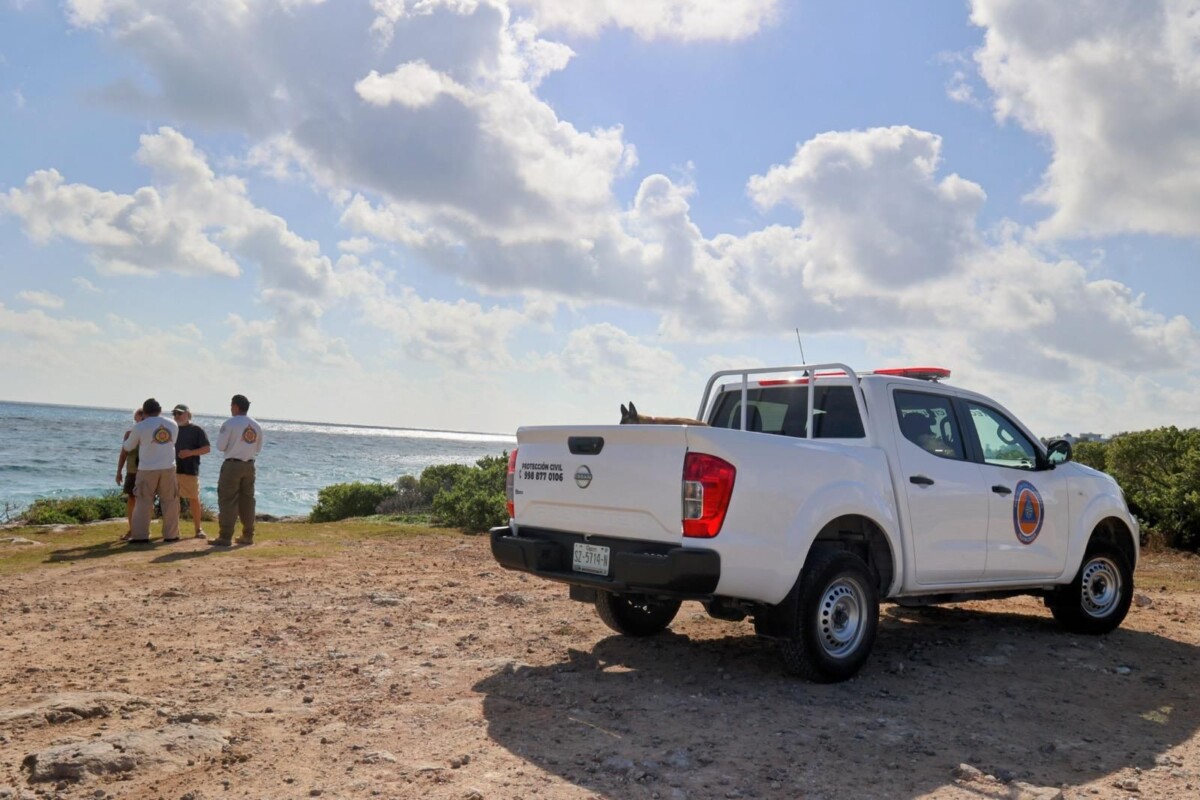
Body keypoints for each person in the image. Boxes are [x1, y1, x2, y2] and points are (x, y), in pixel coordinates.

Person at [122, 397, 181, 543]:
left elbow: (128, 447)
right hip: (168, 467)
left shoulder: (140, 426)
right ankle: (171, 534)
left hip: (147, 468)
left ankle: (140, 536)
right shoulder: (173, 424)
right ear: (160, 410)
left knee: (143, 501)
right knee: (170, 501)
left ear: (145, 412)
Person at [214, 394, 264, 547]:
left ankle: (225, 536)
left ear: (235, 406)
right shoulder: (256, 425)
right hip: (249, 464)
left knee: (228, 500)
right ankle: (248, 534)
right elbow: (258, 448)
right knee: (247, 500)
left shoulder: (230, 423)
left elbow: (220, 446)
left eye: (231, 405)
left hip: (232, 464)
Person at [172, 403, 211, 539]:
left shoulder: (196, 430)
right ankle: (173, 530)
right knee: (172, 500)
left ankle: (198, 529)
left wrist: (190, 453)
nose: (177, 416)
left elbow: (206, 448)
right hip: (172, 469)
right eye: (175, 413)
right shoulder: (171, 429)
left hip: (190, 470)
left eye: (180, 413)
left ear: (188, 414)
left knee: (193, 498)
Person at [115, 406, 145, 540]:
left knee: (145, 500)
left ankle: (143, 529)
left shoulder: (150, 433)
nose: (141, 421)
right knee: (132, 499)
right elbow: (123, 454)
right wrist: (119, 472)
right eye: (139, 418)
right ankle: (132, 529)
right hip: (132, 471)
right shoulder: (129, 433)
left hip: (146, 471)